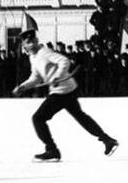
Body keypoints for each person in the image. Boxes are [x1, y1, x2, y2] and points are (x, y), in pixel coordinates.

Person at [13, 30, 117, 162]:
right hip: (69, 89)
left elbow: (64, 61)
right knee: (80, 116)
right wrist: (23, 87)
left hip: (62, 91)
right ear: (23, 45)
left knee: (38, 118)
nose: (32, 44)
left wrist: (57, 77)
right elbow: (36, 77)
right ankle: (107, 140)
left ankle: (51, 150)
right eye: (29, 42)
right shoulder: (33, 57)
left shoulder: (44, 52)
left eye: (34, 40)